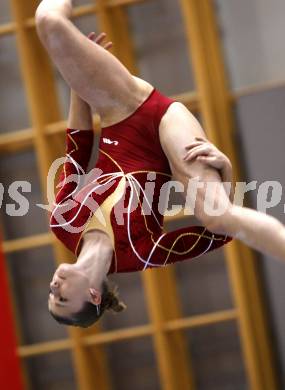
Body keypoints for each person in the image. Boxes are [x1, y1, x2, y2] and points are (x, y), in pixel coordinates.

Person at [35, 0, 285, 327]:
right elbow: (222, 236)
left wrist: (79, 78)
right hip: (169, 127)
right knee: (218, 217)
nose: (54, 287)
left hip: (121, 108)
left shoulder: (63, 223)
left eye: (51, 294)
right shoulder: (142, 253)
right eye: (63, 297)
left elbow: (77, 151)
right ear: (94, 295)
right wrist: (225, 170)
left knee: (48, 21)